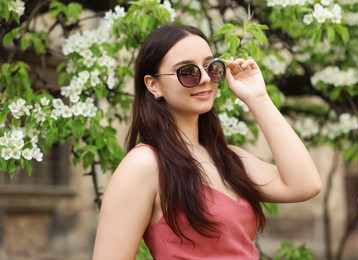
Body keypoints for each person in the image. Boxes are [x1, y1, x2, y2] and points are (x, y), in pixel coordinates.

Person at [92, 24, 322, 259]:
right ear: (154, 85)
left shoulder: (229, 159)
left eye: (210, 67)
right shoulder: (145, 164)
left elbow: (305, 184)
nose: (204, 79)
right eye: (187, 71)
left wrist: (258, 98)